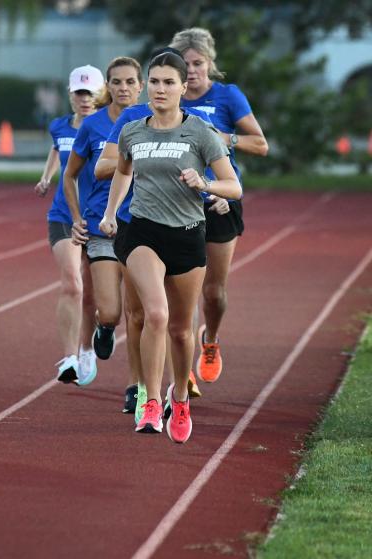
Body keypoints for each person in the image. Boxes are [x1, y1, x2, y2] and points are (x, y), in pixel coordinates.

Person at [100, 51, 241, 443]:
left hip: (187, 235)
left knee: (180, 331)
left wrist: (205, 184)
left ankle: (179, 398)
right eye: (155, 81)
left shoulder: (200, 132)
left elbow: (234, 186)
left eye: (168, 82)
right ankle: (149, 400)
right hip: (142, 232)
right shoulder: (132, 129)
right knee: (155, 315)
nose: (160, 89)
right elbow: (123, 171)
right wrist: (112, 212)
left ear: (183, 87)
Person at [170, 28, 269, 383]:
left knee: (213, 292)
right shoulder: (169, 97)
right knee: (184, 290)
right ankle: (184, 366)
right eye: (186, 64)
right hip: (177, 202)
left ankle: (209, 339)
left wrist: (228, 138)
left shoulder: (228, 96)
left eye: (198, 63)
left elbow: (261, 144)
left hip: (221, 201)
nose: (192, 70)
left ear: (210, 63)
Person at [61, 57, 143, 411]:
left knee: (139, 315)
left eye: (130, 82)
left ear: (140, 85)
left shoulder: (154, 121)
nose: (123, 88)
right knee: (110, 311)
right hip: (101, 227)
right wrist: (77, 217)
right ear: (107, 87)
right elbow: (70, 175)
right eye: (116, 82)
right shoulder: (93, 125)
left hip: (143, 227)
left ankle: (136, 386)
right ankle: (104, 330)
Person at [35, 64, 104, 387]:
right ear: (70, 95)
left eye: (90, 93)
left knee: (93, 293)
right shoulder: (59, 127)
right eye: (79, 92)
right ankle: (70, 357)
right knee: (72, 284)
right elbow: (56, 151)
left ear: (101, 94)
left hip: (99, 218)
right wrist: (46, 176)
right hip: (64, 215)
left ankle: (89, 346)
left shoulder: (110, 129)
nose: (85, 98)